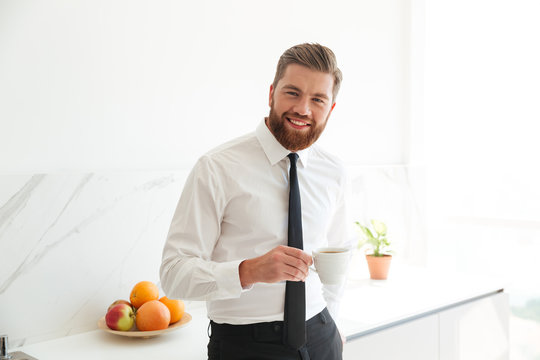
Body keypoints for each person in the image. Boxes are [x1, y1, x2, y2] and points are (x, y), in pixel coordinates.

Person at [160, 43, 352, 360]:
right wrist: (248, 271)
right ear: (271, 94)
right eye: (293, 93)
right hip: (245, 347)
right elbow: (173, 274)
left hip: (321, 338)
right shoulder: (217, 168)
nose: (304, 109)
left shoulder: (334, 171)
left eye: (318, 99)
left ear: (330, 109)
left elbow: (341, 253)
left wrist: (332, 317)